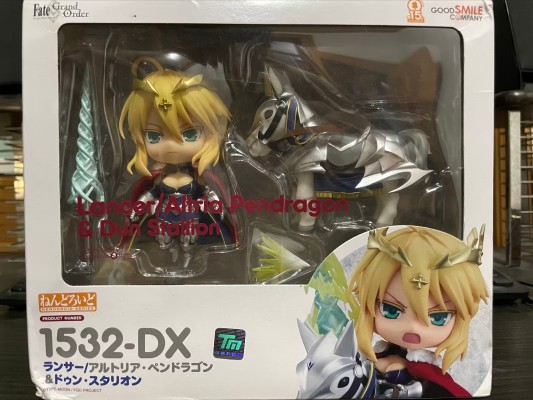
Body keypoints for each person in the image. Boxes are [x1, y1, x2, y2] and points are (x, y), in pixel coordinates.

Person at [349, 226, 488, 397]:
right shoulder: (377, 354)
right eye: (391, 310)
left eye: (438, 317)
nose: (413, 328)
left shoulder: (429, 374)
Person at [119, 57, 234, 263]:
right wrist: (137, 209)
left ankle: (188, 257)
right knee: (163, 241)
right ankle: (168, 257)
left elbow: (208, 193)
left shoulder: (200, 177)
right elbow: (149, 194)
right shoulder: (157, 178)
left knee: (190, 241)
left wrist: (218, 206)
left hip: (191, 216)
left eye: (189, 134)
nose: (172, 145)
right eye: (154, 136)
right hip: (164, 216)